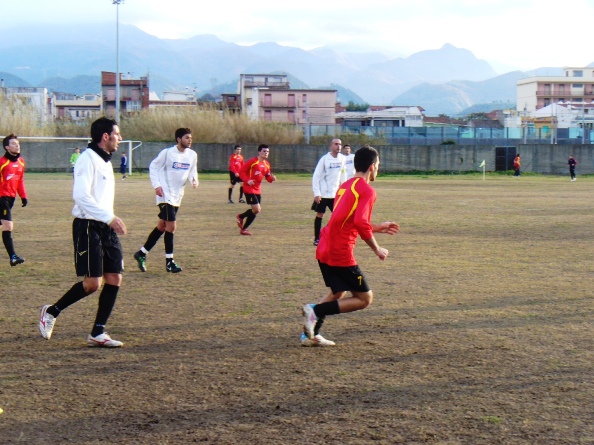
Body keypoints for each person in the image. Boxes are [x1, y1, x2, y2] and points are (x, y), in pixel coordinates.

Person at [38, 117, 127, 347]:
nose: (120, 138)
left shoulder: (106, 162)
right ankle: (52, 311)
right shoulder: (87, 159)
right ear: (105, 136)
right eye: (117, 134)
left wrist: (109, 219)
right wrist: (110, 217)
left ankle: (98, 333)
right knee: (92, 284)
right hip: (88, 226)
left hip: (105, 226)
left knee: (115, 277)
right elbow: (80, 196)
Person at [301, 146, 399, 347]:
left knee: (338, 292)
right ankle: (315, 310)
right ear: (372, 167)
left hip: (325, 245)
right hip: (340, 250)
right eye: (378, 165)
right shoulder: (367, 190)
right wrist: (377, 248)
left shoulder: (345, 186)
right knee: (364, 299)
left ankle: (310, 335)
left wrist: (378, 227)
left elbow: (348, 220)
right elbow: (360, 223)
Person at [133, 128, 198, 273]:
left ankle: (141, 253)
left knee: (162, 227)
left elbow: (192, 170)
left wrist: (194, 180)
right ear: (178, 139)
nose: (190, 140)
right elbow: (153, 167)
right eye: (187, 137)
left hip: (177, 196)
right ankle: (170, 262)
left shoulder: (192, 155)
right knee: (171, 226)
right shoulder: (167, 153)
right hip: (164, 194)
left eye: (190, 137)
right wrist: (157, 185)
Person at [311, 138, 346, 246]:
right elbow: (316, 176)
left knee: (339, 216)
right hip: (323, 194)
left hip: (335, 193)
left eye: (340, 144)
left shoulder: (342, 159)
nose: (338, 146)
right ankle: (317, 238)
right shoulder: (325, 159)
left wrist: (345, 189)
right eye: (336, 144)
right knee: (320, 214)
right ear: (331, 146)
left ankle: (337, 236)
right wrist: (317, 193)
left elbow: (343, 174)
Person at [235, 144, 276, 236]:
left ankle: (242, 221)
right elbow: (241, 171)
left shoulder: (267, 164)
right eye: (264, 151)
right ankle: (242, 222)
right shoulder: (253, 161)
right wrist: (247, 180)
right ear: (259, 152)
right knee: (257, 209)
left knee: (256, 211)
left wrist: (272, 179)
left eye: (267, 151)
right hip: (249, 188)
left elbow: (268, 177)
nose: (266, 153)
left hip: (257, 190)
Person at [0, 134, 28, 266]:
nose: (17, 145)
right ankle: (13, 257)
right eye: (13, 144)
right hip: (2, 197)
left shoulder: (21, 161)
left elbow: (20, 180)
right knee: (8, 225)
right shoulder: (2, 162)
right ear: (7, 147)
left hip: (11, 198)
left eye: (18, 143)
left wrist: (23, 196)